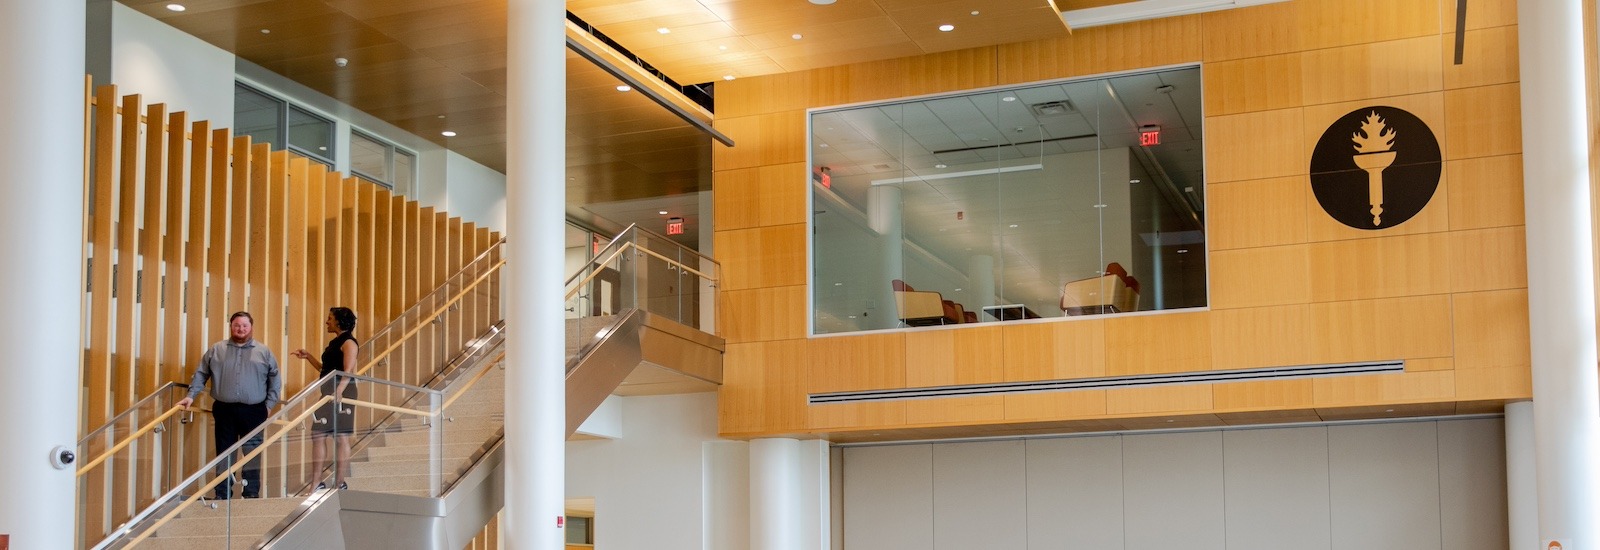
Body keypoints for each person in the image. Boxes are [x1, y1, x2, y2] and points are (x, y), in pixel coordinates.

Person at [176, 311, 282, 499]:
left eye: (244, 326)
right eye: (237, 325)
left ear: (251, 328)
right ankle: (222, 494)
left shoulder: (263, 352)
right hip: (225, 410)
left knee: (252, 453)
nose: (240, 329)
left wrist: (269, 404)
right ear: (231, 327)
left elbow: (275, 379)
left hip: (255, 411)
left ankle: (250, 494)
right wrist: (191, 396)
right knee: (225, 453)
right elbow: (201, 373)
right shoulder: (217, 349)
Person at [293, 307, 359, 491]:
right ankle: (316, 482)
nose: (327, 321)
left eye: (330, 318)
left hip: (343, 392)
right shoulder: (335, 342)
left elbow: (347, 371)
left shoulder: (349, 343)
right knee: (318, 433)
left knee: (341, 436)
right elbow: (327, 369)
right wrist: (309, 357)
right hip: (329, 392)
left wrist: (339, 392)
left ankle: (340, 482)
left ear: (339, 321)